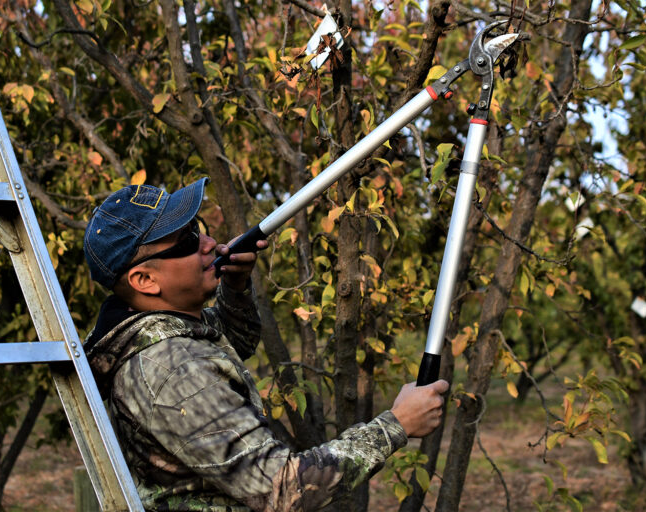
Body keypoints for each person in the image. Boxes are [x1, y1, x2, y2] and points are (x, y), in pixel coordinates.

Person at [83, 178, 449, 511]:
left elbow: (231, 342)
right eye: (189, 241)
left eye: (199, 229)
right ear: (144, 279)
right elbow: (282, 487)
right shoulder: (172, 367)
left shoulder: (151, 329)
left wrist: (235, 286)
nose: (210, 243)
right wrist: (396, 425)